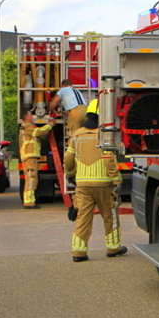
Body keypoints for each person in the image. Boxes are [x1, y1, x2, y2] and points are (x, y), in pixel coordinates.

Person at [64, 111, 124, 262]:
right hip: (103, 183)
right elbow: (108, 158)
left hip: (83, 184)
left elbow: (68, 157)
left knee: (83, 217)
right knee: (109, 215)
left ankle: (78, 252)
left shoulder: (77, 134)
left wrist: (70, 174)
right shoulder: (104, 135)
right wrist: (116, 179)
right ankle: (113, 248)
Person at [19, 108, 53, 209]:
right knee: (31, 178)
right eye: (30, 114)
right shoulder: (27, 126)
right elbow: (39, 132)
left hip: (30, 156)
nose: (32, 116)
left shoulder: (27, 126)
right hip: (29, 156)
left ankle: (29, 200)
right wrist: (50, 125)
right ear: (26, 117)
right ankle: (29, 202)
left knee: (31, 178)